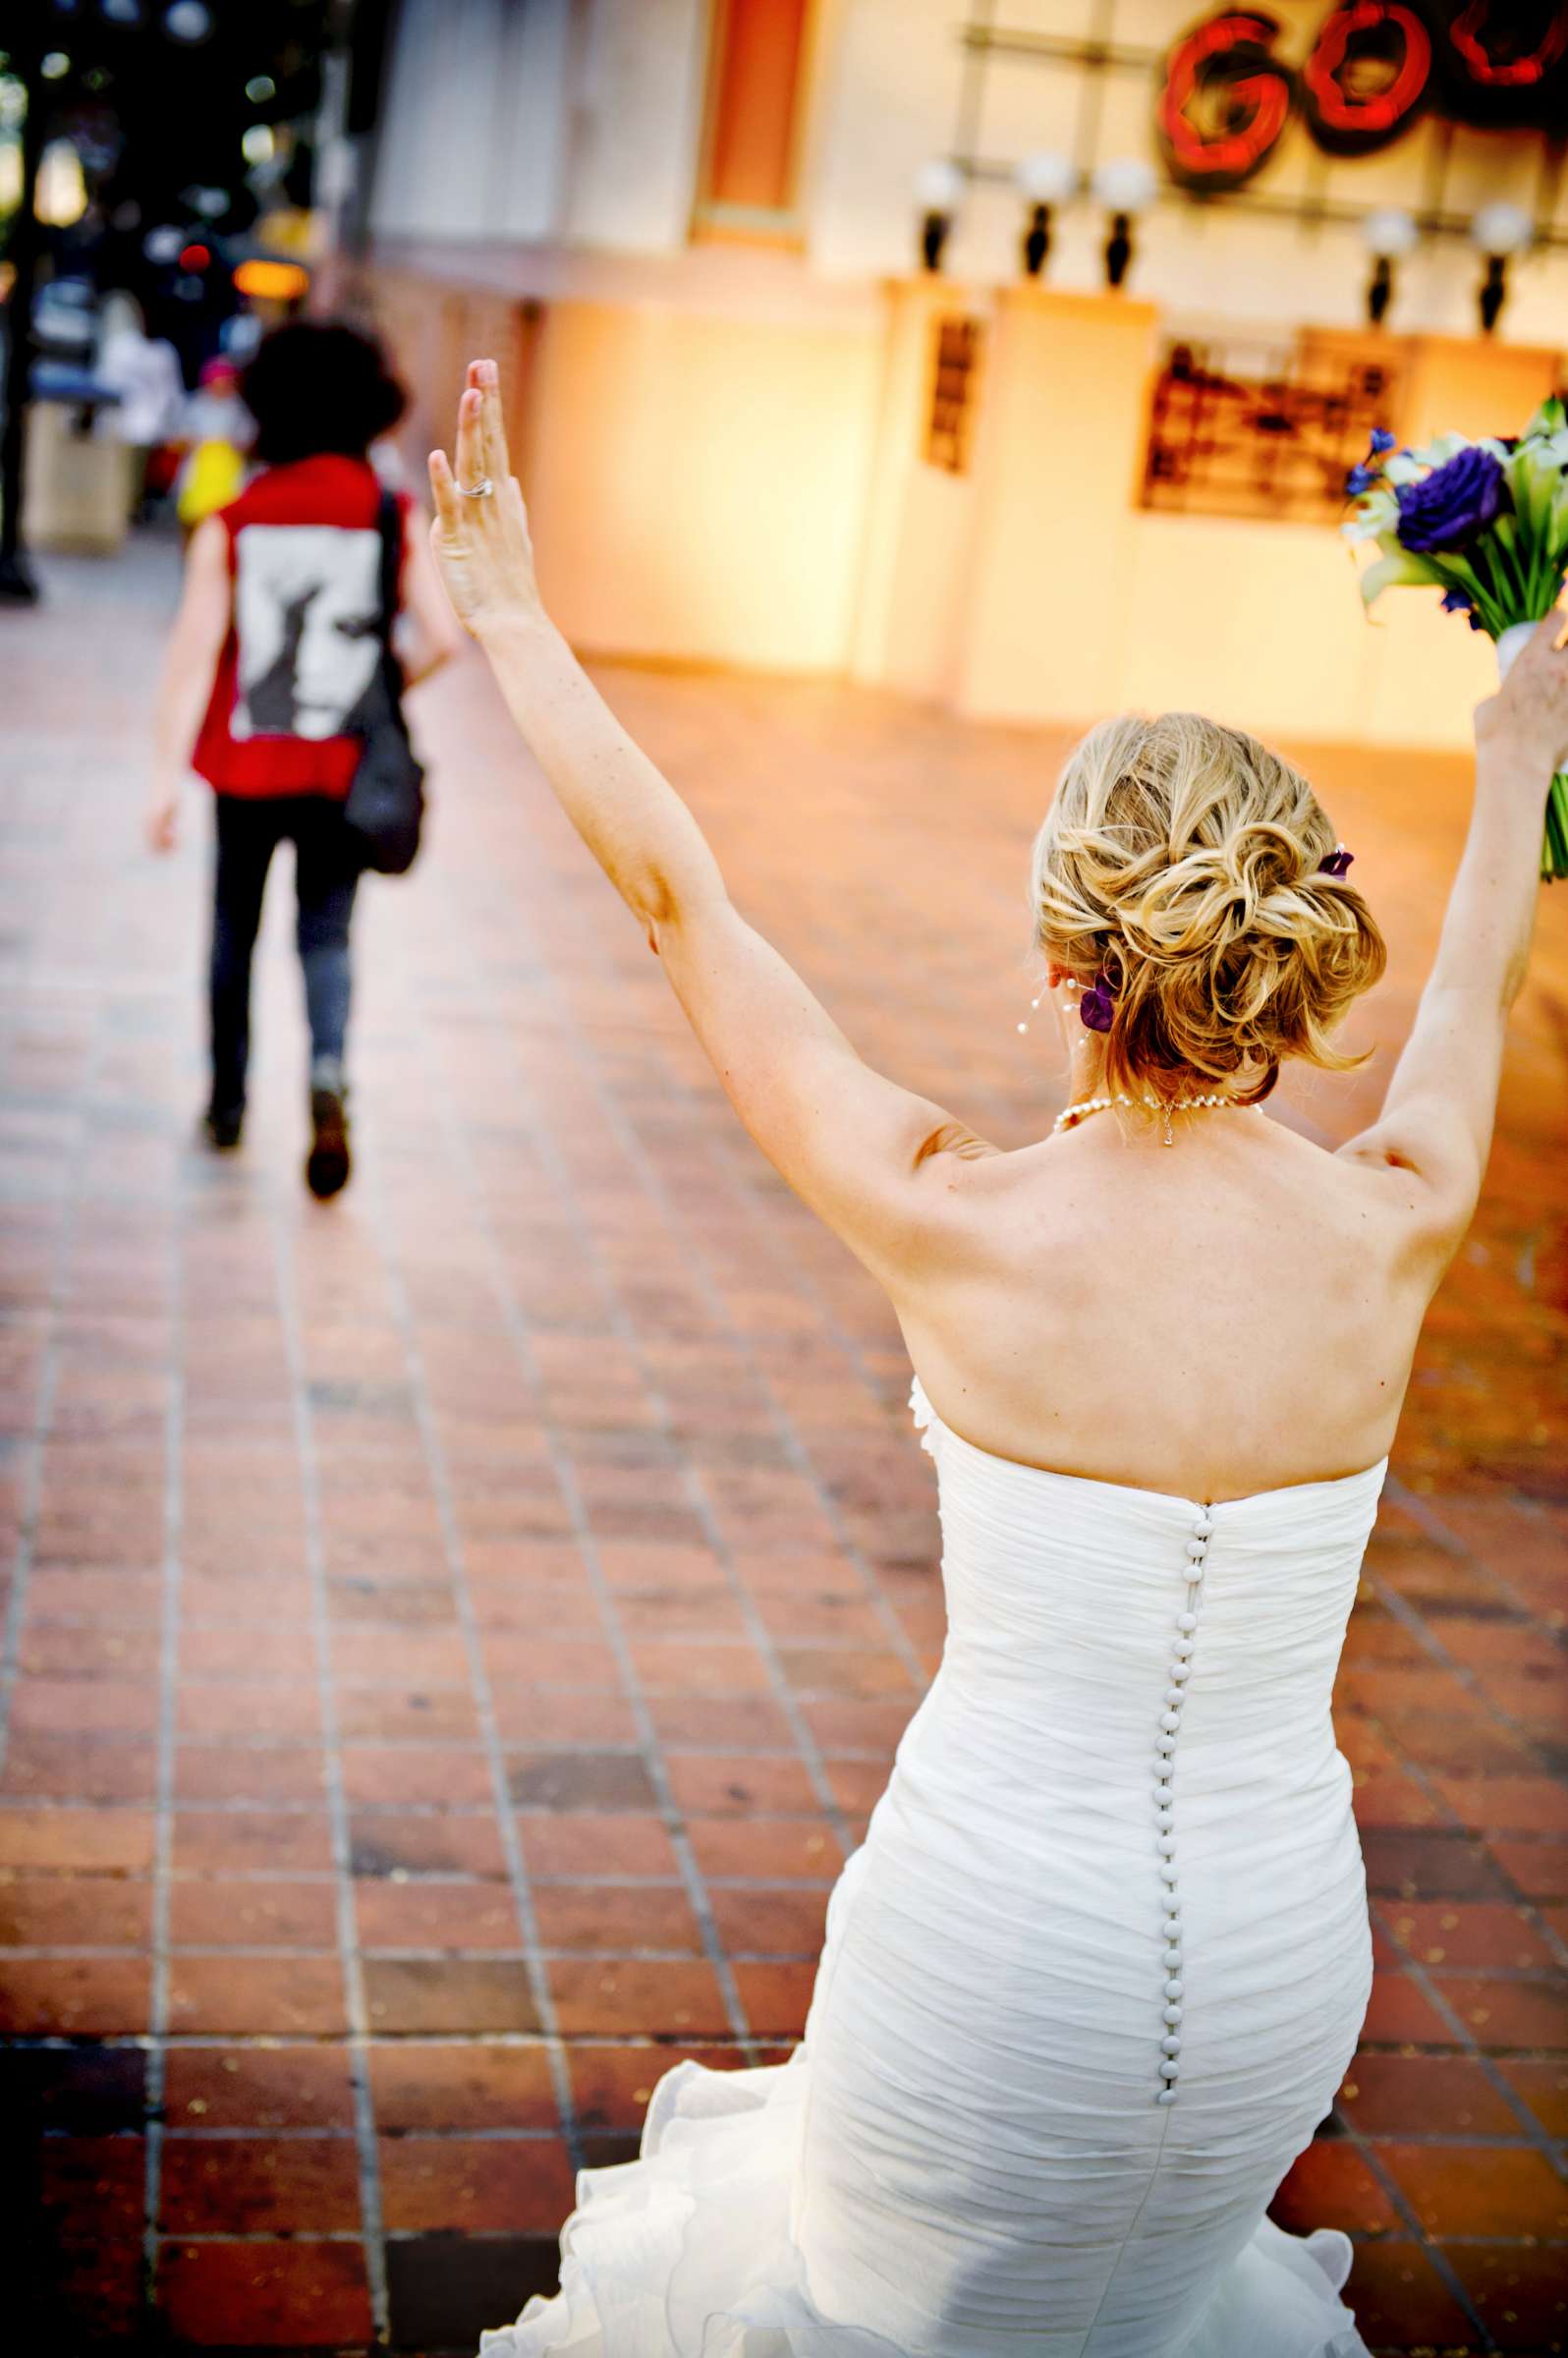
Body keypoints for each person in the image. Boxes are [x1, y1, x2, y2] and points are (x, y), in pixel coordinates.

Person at [429, 364, 1567, 2358]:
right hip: (1291, 1963)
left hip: (991, 1966)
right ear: (1279, 951)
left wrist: (514, 619)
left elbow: (678, 899)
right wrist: (1519, 736)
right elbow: (1478, 963)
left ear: (1066, 965)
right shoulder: (1396, 1210)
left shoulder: (949, 1211)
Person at [147, 320, 462, 1197]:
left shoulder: (235, 522)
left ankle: (227, 1102)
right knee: (326, 935)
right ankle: (327, 1073)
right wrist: (379, 682)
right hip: (340, 770)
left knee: (232, 936)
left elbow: (191, 656)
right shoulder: (387, 510)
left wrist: (165, 779)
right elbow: (443, 637)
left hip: (246, 768)